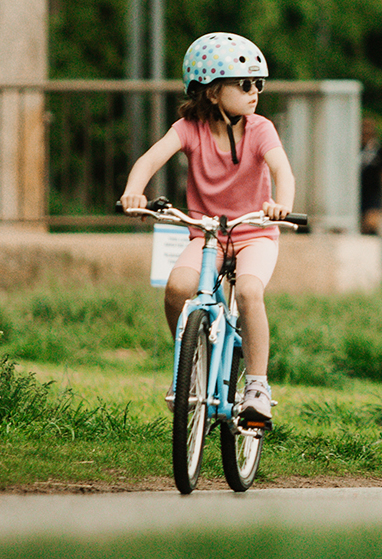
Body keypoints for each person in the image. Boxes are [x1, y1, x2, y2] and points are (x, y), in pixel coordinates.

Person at [120, 32, 297, 425]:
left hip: (255, 232)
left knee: (249, 291)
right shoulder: (189, 129)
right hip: (207, 235)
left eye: (259, 84)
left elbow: (281, 169)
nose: (254, 92)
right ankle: (190, 369)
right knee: (177, 289)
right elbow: (150, 160)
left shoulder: (260, 128)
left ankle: (256, 386)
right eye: (244, 84)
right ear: (213, 92)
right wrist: (134, 192)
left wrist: (280, 204)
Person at [359, 117, 382, 236]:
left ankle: (375, 242)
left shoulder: (378, 150)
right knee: (361, 227)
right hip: (356, 193)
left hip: (373, 193)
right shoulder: (352, 149)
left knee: (372, 223)